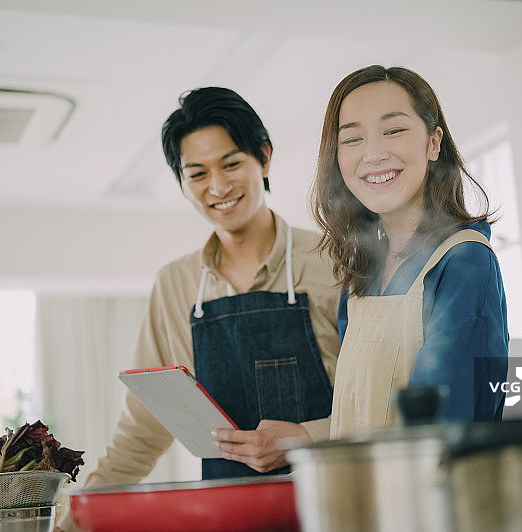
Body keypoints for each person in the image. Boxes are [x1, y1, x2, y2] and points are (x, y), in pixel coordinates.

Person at [56, 87, 340, 531]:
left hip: (341, 509)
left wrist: (308, 438)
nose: (219, 187)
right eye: (198, 174)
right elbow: (143, 427)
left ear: (263, 158)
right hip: (230, 519)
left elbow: (380, 402)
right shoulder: (175, 284)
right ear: (183, 184)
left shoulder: (336, 261)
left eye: (231, 164)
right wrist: (71, 520)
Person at [310, 65, 508, 438]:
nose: (373, 154)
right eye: (352, 139)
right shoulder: (360, 273)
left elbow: (446, 429)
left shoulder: (463, 262)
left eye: (394, 130)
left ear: (434, 143)